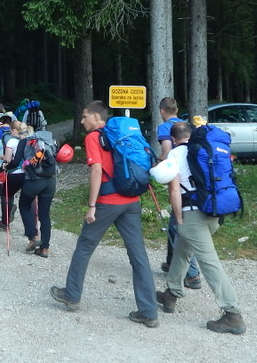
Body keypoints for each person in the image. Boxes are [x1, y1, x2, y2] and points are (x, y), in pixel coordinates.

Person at [50, 101, 159, 328]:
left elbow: (97, 171)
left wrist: (91, 205)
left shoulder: (93, 138)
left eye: (85, 117)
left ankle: (72, 295)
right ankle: (149, 312)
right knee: (138, 255)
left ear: (97, 117)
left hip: (107, 202)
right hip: (132, 201)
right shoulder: (120, 136)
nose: (82, 121)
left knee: (84, 247)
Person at [156, 121, 246, 334]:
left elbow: (174, 190)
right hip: (213, 212)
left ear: (173, 139)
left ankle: (232, 314)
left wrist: (178, 218)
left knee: (209, 261)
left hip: (192, 215)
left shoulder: (176, 154)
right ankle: (171, 294)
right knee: (182, 250)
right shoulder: (206, 150)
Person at [157, 96, 201, 290]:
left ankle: (192, 275)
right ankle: (170, 262)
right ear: (176, 109)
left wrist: (157, 163)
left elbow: (167, 153)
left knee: (179, 225)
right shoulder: (186, 126)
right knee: (173, 224)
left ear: (162, 111)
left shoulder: (165, 128)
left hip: (179, 181)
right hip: (194, 184)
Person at [12, 127, 58, 257]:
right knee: (45, 214)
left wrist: (5, 166)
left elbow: (15, 162)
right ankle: (44, 249)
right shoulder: (50, 141)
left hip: (33, 181)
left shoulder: (25, 142)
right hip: (50, 181)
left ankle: (33, 236)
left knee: (24, 206)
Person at [0, 119, 27, 230]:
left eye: (10, 131)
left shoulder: (11, 142)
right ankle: (31, 229)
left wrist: (3, 158)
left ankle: (5, 221)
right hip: (27, 173)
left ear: (14, 130)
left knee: (6, 195)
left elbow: (8, 160)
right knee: (28, 200)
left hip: (14, 173)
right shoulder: (28, 140)